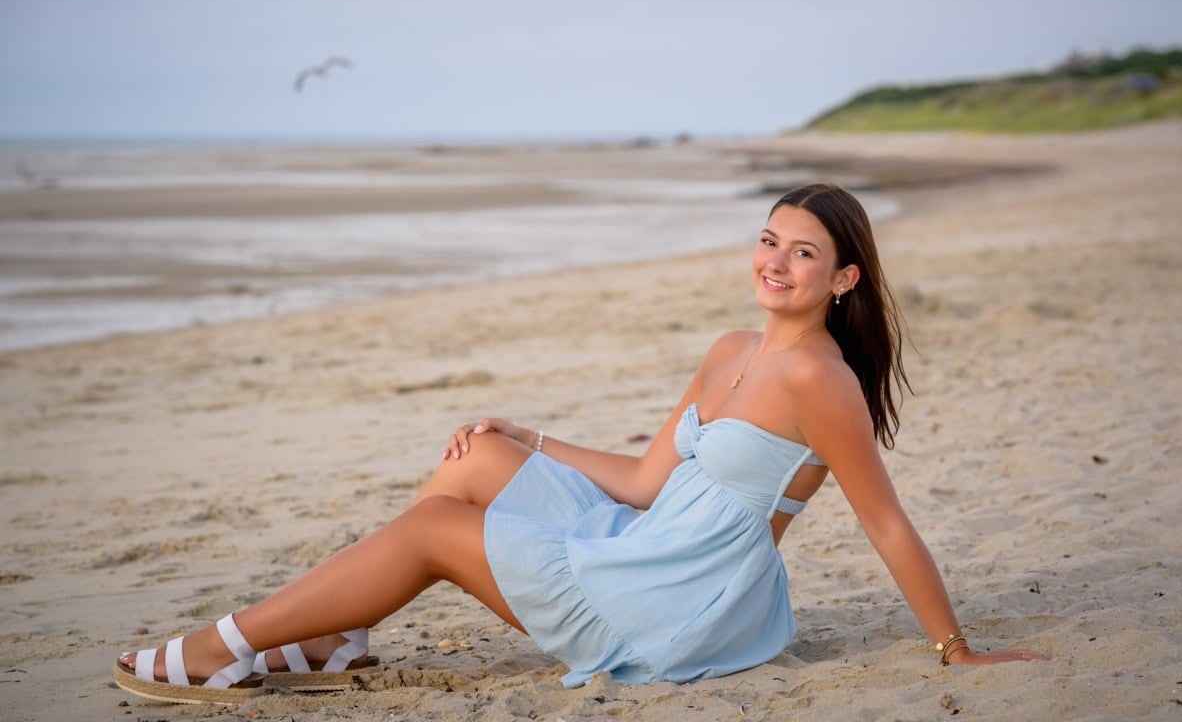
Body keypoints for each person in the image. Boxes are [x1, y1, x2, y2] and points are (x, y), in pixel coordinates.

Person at [114, 183, 1047, 705]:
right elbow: (646, 480)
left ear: (843, 278)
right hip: (646, 541)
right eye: (769, 240)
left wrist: (955, 650)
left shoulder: (820, 382)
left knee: (436, 529)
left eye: (803, 252)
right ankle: (336, 634)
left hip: (674, 601)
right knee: (475, 454)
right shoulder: (732, 349)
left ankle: (219, 647)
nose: (776, 261)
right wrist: (531, 435)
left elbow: (885, 523)